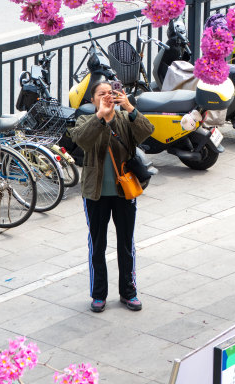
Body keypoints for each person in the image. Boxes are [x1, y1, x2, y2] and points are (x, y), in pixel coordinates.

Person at [69, 80, 154, 313]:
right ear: (92, 99)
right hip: (95, 195)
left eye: (111, 93)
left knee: (126, 244)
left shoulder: (125, 120)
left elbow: (148, 131)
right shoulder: (85, 121)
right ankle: (98, 295)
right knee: (97, 245)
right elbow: (82, 140)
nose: (107, 97)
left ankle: (129, 292)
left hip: (124, 192)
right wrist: (100, 117)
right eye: (101, 94)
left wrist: (129, 107)